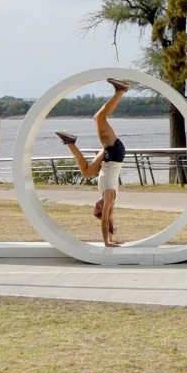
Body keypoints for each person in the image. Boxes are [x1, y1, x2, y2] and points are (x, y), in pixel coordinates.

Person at [56, 79, 130, 247]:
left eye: (95, 207)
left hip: (108, 158)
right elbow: (105, 220)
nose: (96, 205)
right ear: (104, 209)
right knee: (98, 118)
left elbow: (109, 219)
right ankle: (120, 91)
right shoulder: (109, 196)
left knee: (87, 174)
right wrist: (106, 242)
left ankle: (70, 142)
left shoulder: (105, 196)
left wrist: (111, 239)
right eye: (98, 208)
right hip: (114, 153)